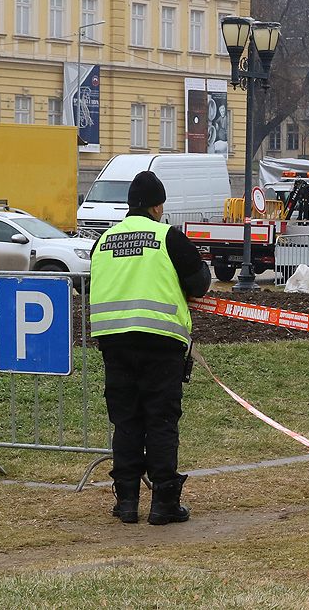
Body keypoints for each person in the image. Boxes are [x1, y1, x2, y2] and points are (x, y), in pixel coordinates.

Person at [89, 170, 211, 525]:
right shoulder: (167, 237)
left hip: (114, 344)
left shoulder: (104, 240)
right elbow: (200, 283)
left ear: (130, 205)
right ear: (158, 207)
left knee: (126, 421)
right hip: (160, 343)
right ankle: (163, 504)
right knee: (160, 421)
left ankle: (126, 502)